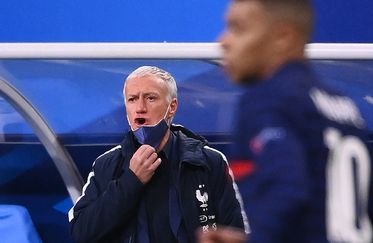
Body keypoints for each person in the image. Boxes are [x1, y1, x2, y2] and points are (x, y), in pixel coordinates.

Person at [199, 0, 373, 242]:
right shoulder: (345, 108)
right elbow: (372, 215)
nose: (223, 41)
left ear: (282, 39)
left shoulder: (268, 98)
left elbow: (287, 189)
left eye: (238, 28)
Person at [69, 66, 247, 243]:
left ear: (172, 107)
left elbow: (235, 233)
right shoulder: (106, 164)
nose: (140, 107)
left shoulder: (209, 162)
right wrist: (131, 181)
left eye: (150, 98)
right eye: (132, 99)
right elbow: (81, 233)